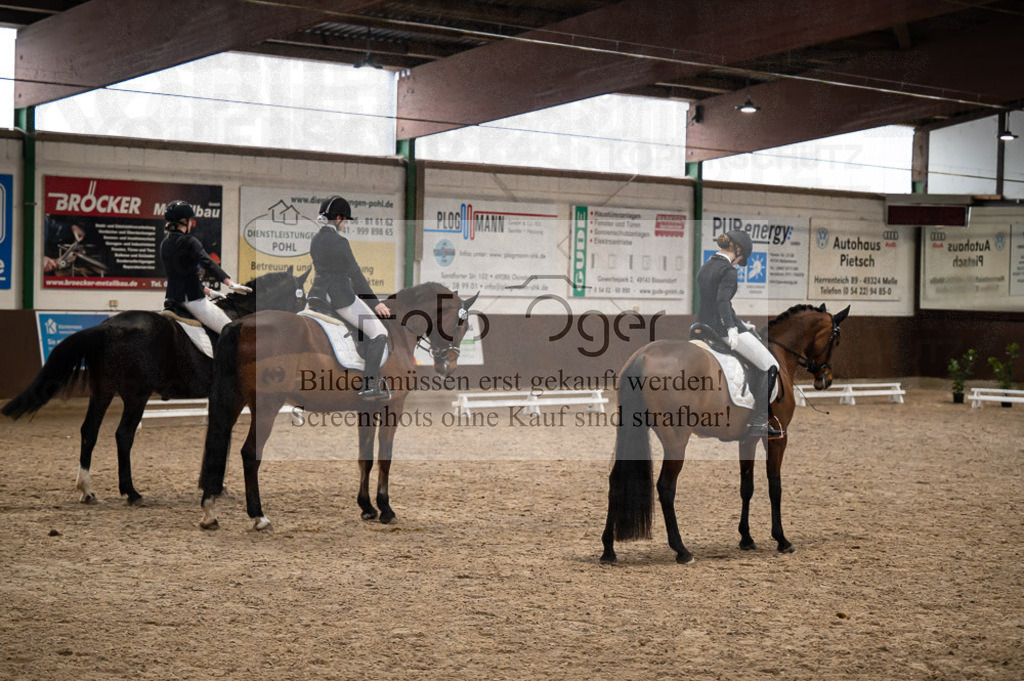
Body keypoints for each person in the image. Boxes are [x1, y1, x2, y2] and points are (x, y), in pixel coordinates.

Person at [695, 230, 783, 439]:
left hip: (702, 325)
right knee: (771, 365)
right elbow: (722, 302)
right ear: (738, 251)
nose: (737, 264)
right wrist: (732, 329)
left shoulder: (705, 268)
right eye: (740, 260)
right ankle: (760, 421)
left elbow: (711, 303)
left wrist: (741, 323)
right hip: (723, 330)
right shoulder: (728, 271)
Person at [308, 195, 392, 401]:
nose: (344, 224)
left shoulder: (316, 239)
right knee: (379, 333)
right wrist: (376, 303)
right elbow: (356, 275)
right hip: (340, 297)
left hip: (318, 295)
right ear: (338, 218)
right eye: (344, 220)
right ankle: (369, 385)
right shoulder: (340, 242)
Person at [159, 200, 250, 334]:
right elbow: (209, 263)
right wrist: (230, 283)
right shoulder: (190, 241)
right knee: (232, 333)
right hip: (193, 300)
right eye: (190, 220)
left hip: (171, 300)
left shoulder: (165, 244)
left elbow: (181, 275)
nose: (191, 223)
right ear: (184, 221)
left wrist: (209, 292)